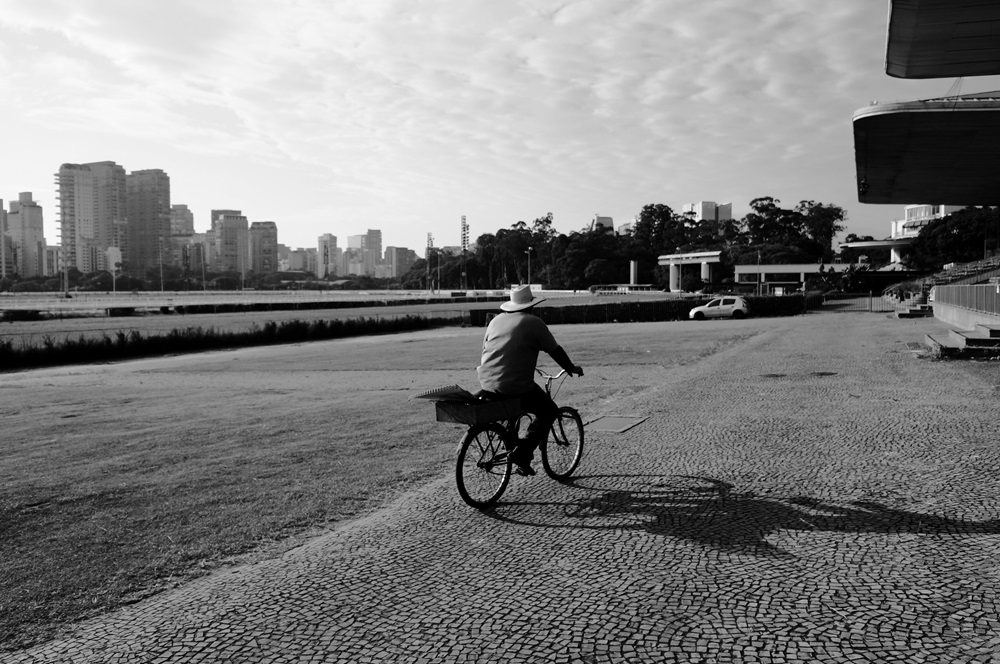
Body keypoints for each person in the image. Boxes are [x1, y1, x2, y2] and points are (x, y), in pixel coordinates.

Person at [476, 285, 583, 476]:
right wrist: (570, 368)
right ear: (531, 306)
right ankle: (523, 452)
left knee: (513, 414)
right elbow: (554, 350)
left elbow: (488, 349)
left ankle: (518, 454)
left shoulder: (495, 321)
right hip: (515, 385)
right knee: (549, 411)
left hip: (487, 382)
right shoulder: (533, 322)